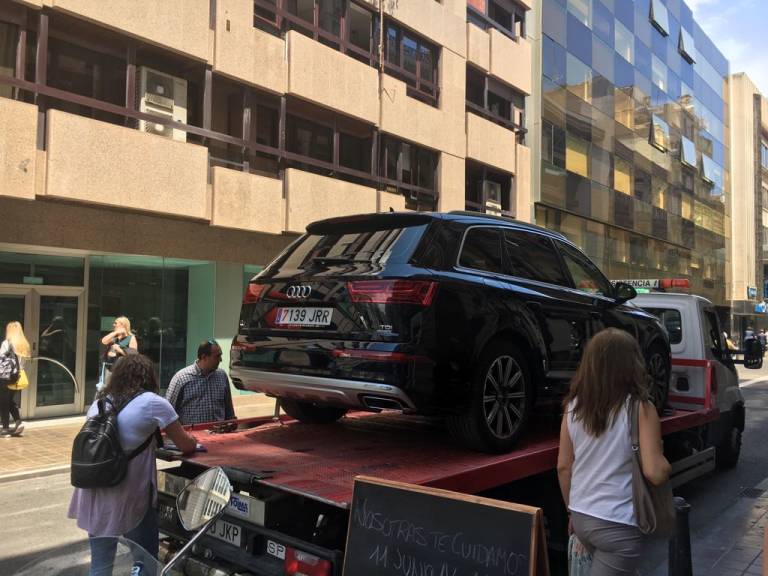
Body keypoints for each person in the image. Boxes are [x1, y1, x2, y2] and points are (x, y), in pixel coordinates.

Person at [68, 354, 196, 575]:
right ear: (149, 376)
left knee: (100, 564)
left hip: (94, 493)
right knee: (144, 562)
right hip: (132, 497)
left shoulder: (100, 402)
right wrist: (194, 442)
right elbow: (185, 444)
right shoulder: (153, 403)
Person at [557, 328, 671, 575]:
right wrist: (665, 461)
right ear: (632, 364)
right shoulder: (641, 408)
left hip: (581, 517)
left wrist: (571, 512)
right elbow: (655, 472)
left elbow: (564, 466)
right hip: (617, 525)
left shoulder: (573, 407)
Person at [166, 340, 235, 425]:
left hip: (218, 435)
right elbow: (168, 411)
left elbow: (229, 410)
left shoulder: (221, 376)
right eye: (217, 356)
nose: (220, 360)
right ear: (204, 357)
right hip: (192, 436)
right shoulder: (181, 378)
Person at [0, 321, 30, 437]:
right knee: (9, 400)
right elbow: (22, 364)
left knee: (4, 402)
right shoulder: (24, 345)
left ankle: (6, 428)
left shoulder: (6, 343)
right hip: (17, 377)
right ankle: (18, 421)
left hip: (5, 377)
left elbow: (1, 360)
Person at [99, 316, 138, 388]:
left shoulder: (131, 338)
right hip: (110, 367)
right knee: (107, 389)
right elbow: (104, 341)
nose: (113, 325)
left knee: (119, 389)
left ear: (123, 325)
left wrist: (119, 350)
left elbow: (134, 355)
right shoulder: (115, 337)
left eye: (116, 323)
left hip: (122, 369)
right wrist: (116, 332)